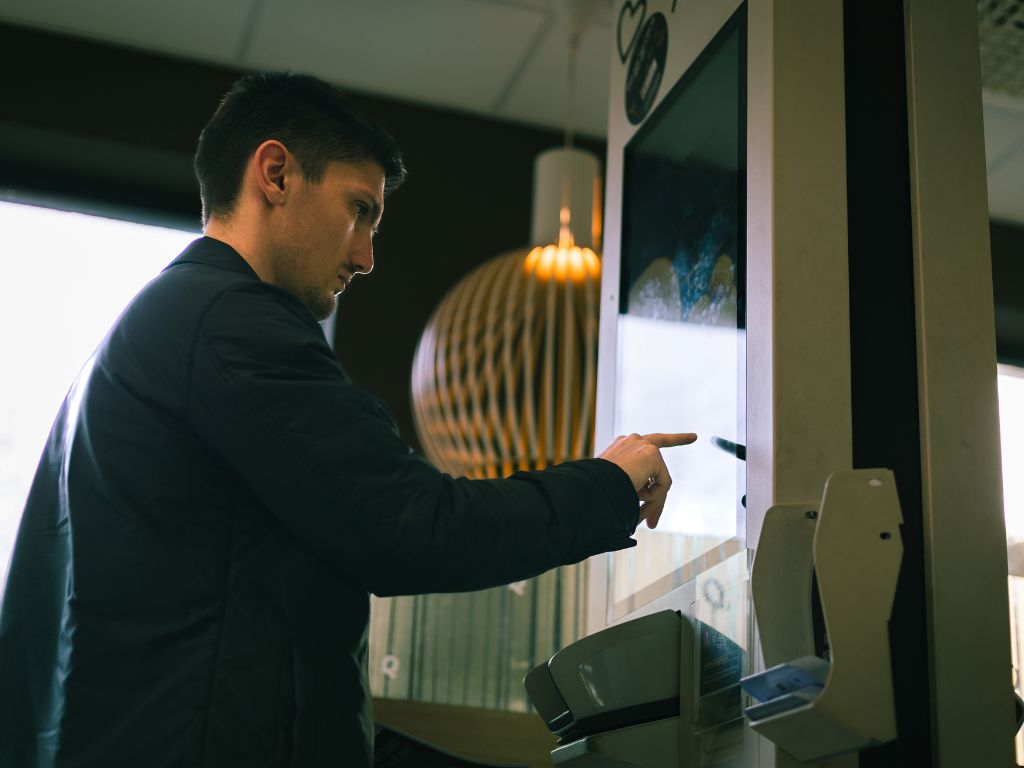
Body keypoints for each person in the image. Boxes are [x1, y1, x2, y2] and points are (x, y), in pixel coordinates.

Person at [0, 72, 696, 768]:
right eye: (359, 210)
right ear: (275, 174)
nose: (366, 256)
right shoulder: (230, 324)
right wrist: (607, 484)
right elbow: (412, 526)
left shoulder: (159, 332)